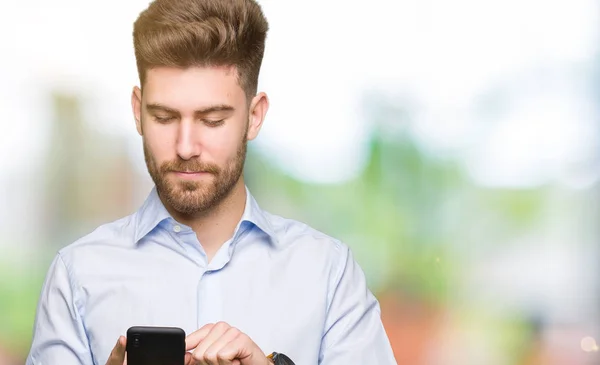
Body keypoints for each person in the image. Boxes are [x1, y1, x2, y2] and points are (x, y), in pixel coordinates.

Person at [26, 0, 397, 364]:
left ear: (254, 116)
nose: (186, 147)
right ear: (138, 112)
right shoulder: (77, 275)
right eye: (164, 118)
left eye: (213, 120)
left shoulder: (328, 275)